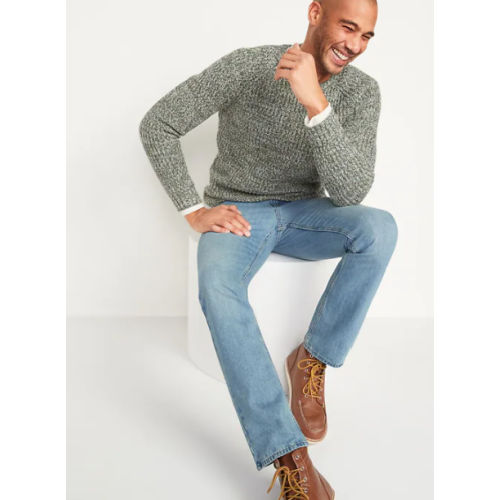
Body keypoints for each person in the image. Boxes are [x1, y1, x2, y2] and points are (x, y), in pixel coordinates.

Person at [139, 0, 397, 497]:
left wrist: (315, 103)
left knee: (379, 229)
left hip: (307, 215)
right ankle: (287, 455)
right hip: (240, 213)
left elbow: (351, 194)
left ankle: (311, 359)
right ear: (315, 12)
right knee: (217, 288)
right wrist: (193, 209)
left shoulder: (363, 92)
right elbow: (159, 123)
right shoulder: (249, 65)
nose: (355, 45)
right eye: (348, 27)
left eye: (366, 35)